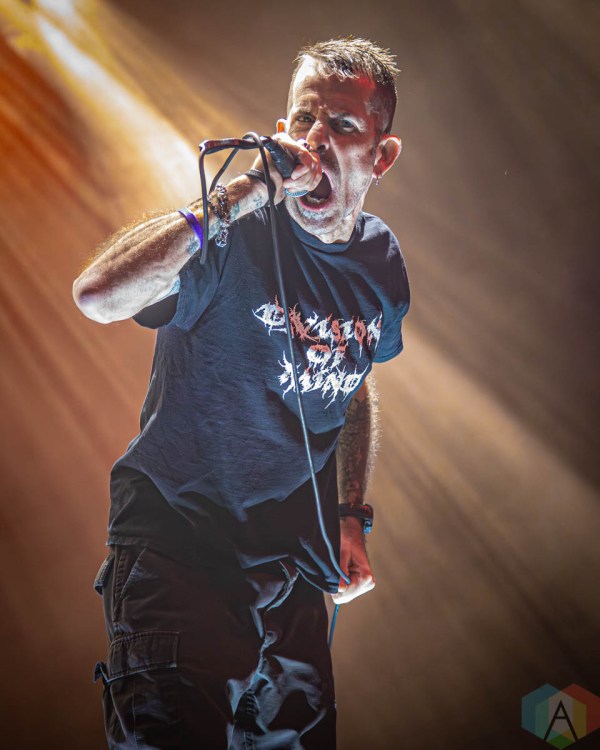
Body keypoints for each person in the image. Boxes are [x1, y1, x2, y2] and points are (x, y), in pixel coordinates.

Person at [73, 37, 409, 750]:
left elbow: (353, 379)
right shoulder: (232, 235)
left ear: (381, 156)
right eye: (303, 119)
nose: (316, 140)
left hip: (291, 575)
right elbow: (98, 296)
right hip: (181, 551)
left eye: (342, 124)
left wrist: (350, 511)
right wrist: (243, 191)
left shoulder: (380, 264)